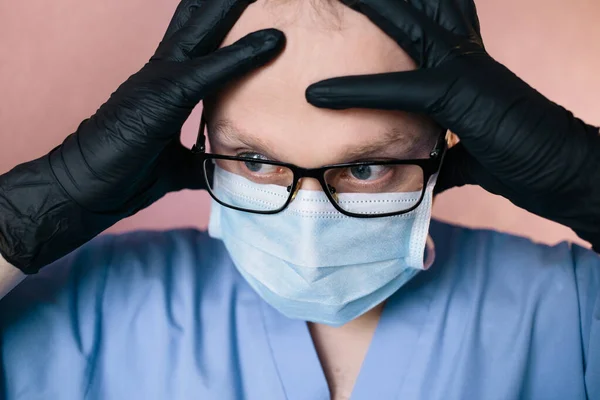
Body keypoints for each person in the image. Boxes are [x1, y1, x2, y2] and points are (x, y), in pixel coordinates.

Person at [0, 0, 598, 399]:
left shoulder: (568, 309)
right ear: (199, 136)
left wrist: (589, 184)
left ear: (448, 142)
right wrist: (21, 219)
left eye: (367, 166)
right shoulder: (89, 304)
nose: (306, 223)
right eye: (255, 162)